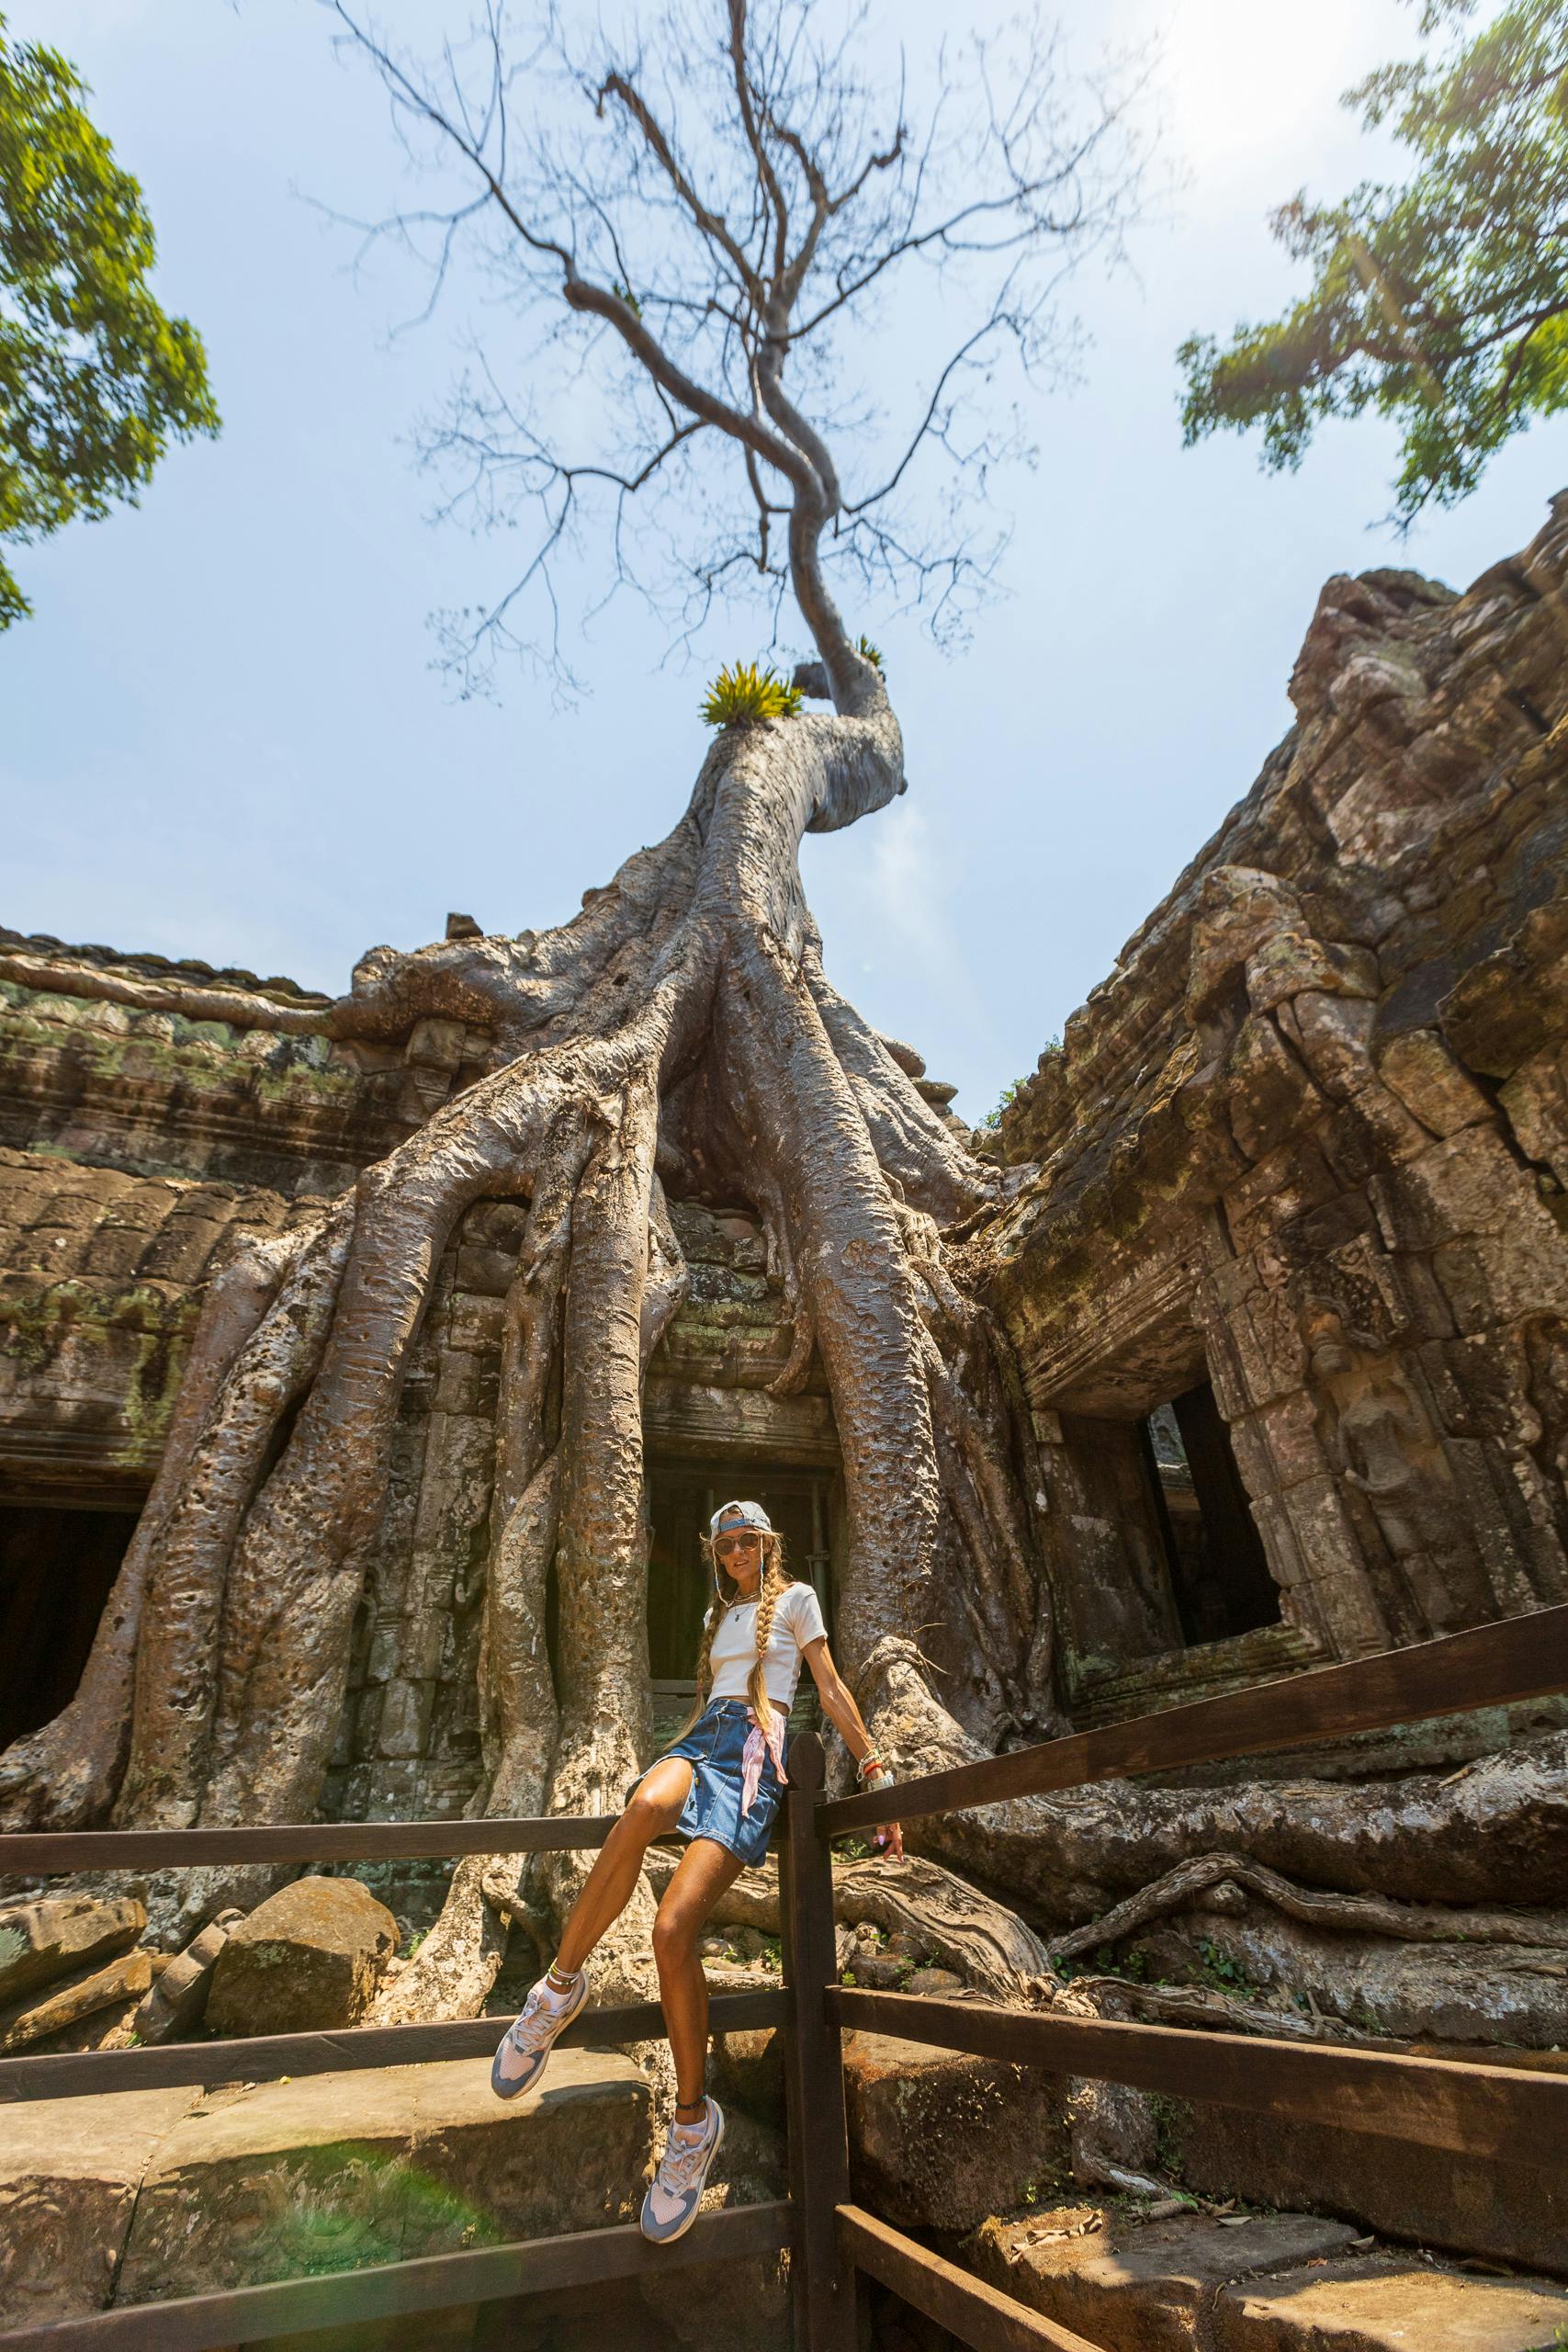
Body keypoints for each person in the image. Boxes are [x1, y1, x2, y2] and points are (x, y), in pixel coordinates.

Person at [491, 1497, 902, 2244]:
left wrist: (874, 1768)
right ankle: (558, 1988)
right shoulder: (719, 1617)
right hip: (701, 1740)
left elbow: (830, 1686)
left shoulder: (799, 1599)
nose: (736, 1554)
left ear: (767, 1544)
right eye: (724, 1546)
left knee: (672, 1930)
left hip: (753, 1753)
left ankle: (690, 2124)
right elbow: (715, 1695)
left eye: (747, 1542)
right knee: (640, 1811)